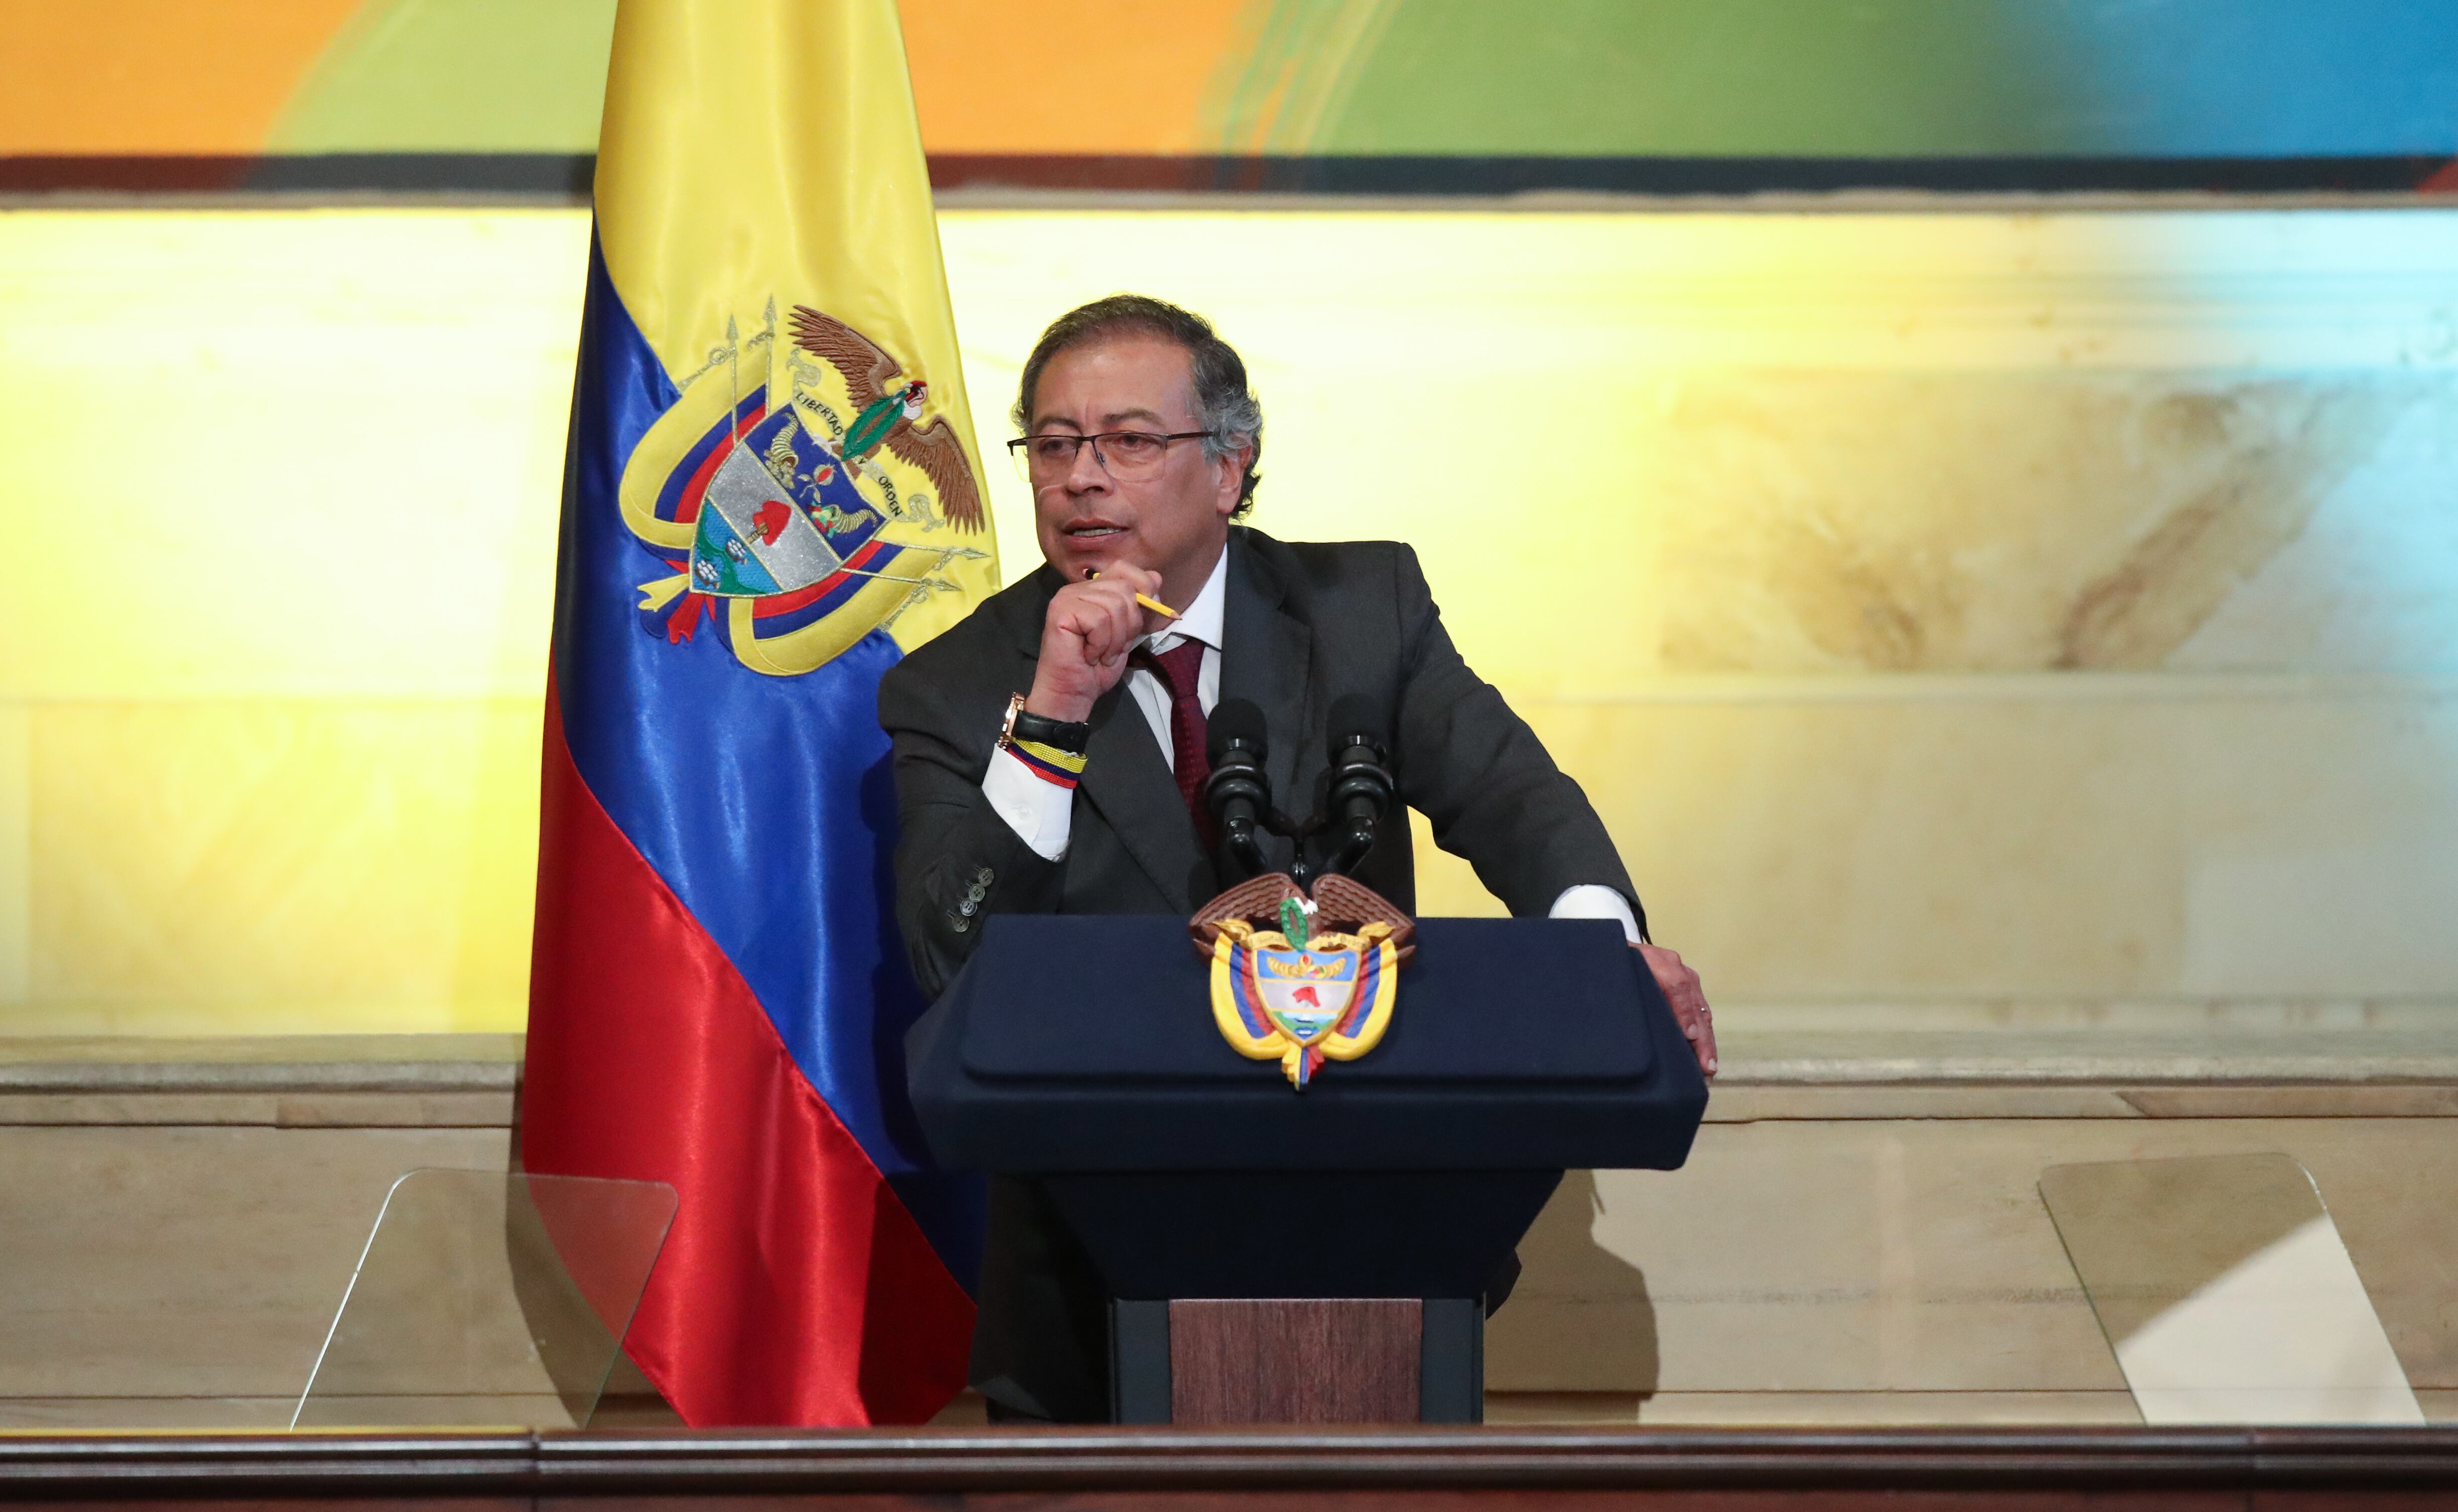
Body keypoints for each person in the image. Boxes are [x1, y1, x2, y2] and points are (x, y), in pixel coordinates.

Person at [878, 294, 1713, 1422]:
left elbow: (1510, 795)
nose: (1081, 477)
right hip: (1082, 1280)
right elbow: (949, 951)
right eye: (1055, 443)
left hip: (1373, 1231)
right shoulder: (959, 682)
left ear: (1229, 466)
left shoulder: (1362, 611)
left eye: (1128, 440)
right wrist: (1057, 708)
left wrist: (1603, 959)